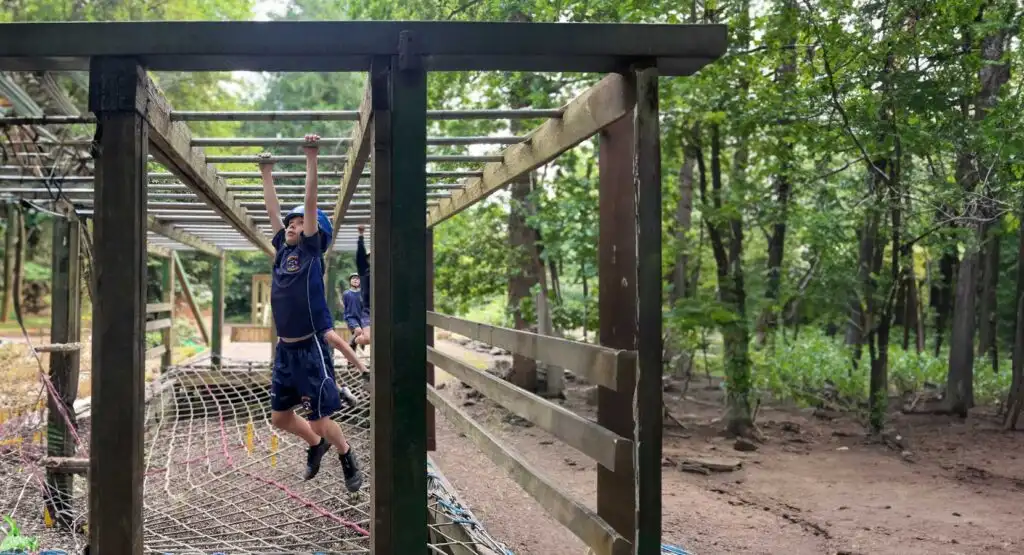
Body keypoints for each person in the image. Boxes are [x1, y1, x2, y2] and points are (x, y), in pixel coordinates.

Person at [258, 136, 363, 492]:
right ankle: (316, 447)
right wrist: (266, 174)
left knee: (320, 420)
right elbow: (274, 211)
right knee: (280, 417)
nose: (291, 224)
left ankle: (345, 452)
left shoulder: (309, 254)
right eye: (290, 223)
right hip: (285, 349)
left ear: (313, 233)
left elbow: (311, 202)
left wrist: (311, 159)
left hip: (310, 349)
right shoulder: (281, 251)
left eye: (299, 223)